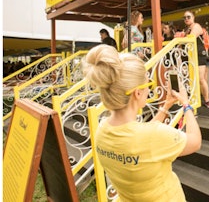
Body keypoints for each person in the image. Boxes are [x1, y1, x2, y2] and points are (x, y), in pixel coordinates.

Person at [82, 44, 201, 202]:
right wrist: (186, 105)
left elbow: (142, 138)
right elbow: (195, 141)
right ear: (138, 93)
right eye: (148, 84)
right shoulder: (152, 136)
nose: (149, 89)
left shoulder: (101, 130)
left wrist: (165, 106)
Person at [183, 11, 209, 109]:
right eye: (184, 18)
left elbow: (191, 37)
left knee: (201, 79)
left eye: (188, 17)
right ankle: (195, 99)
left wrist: (181, 36)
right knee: (192, 79)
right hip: (192, 56)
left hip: (200, 55)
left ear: (193, 17)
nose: (186, 19)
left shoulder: (196, 26)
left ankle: (207, 100)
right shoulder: (188, 29)